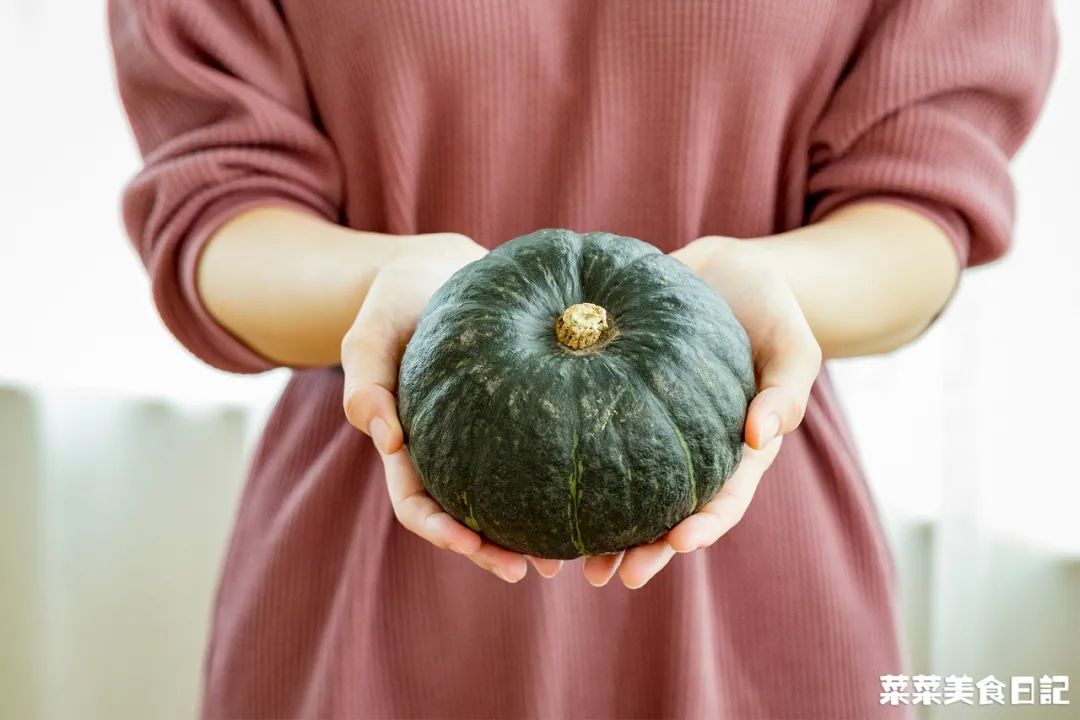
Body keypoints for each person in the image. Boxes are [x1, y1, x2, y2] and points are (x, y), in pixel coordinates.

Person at [109, 1, 1056, 717]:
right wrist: (400, 286)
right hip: (379, 509)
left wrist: (745, 299)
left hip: (749, 524)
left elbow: (921, 210)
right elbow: (217, 207)